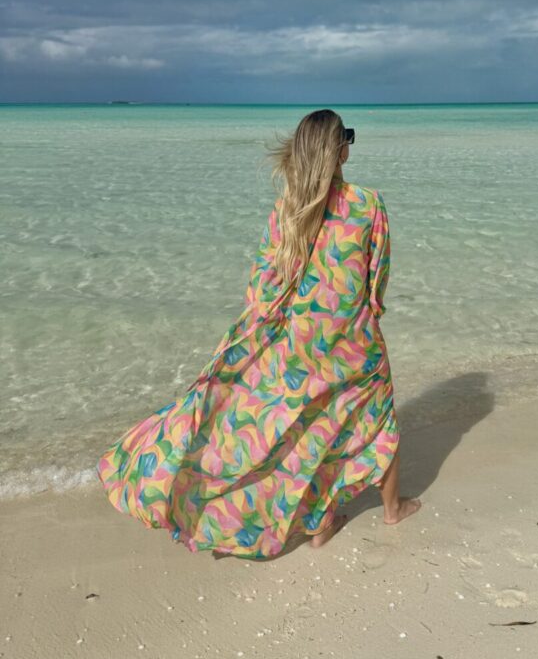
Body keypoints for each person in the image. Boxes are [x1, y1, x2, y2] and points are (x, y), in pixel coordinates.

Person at [97, 108, 421, 559]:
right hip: (351, 339)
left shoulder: (287, 209)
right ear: (339, 150)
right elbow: (375, 280)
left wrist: (260, 335)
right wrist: (368, 316)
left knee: (312, 428)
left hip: (298, 342)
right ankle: (393, 509)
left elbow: (264, 283)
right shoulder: (368, 205)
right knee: (375, 419)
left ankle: (321, 526)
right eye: (347, 135)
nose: (350, 142)